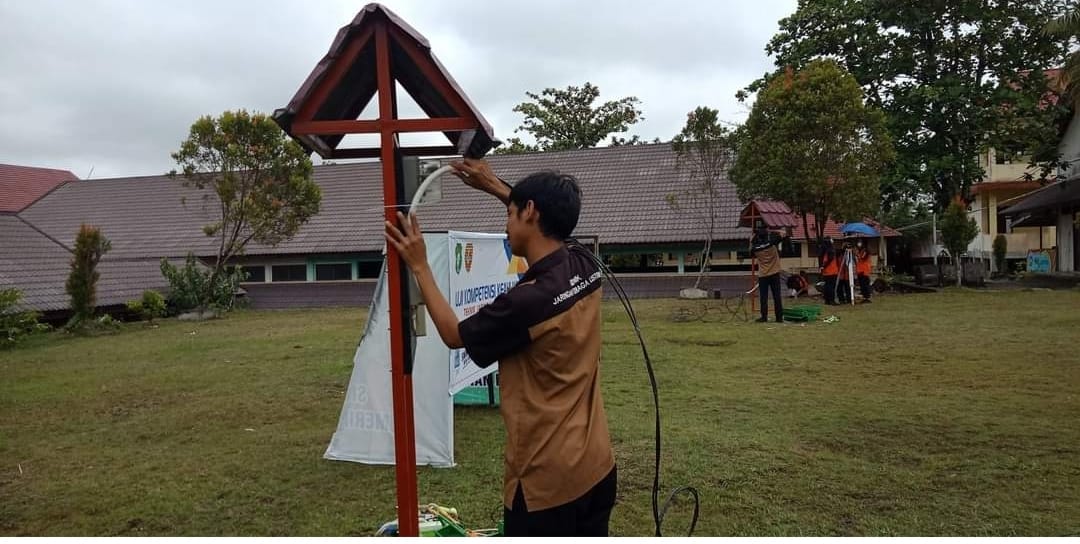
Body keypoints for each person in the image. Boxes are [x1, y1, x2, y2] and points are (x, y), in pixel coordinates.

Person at [383, 158, 616, 537]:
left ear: (530, 212)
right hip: (596, 466)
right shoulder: (584, 264)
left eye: (510, 213)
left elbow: (455, 334)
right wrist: (497, 188)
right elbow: (551, 227)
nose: (505, 224)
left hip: (546, 485)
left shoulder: (526, 302)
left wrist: (420, 265)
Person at [751, 226, 787, 323]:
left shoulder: (756, 248)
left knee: (763, 297)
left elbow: (751, 246)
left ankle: (764, 317)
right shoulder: (771, 243)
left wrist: (755, 235)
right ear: (766, 235)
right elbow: (783, 233)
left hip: (763, 275)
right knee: (777, 296)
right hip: (774, 273)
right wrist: (773, 230)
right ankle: (779, 318)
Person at [820, 238, 839, 305]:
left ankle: (827, 300)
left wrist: (823, 267)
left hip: (827, 272)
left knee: (827, 286)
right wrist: (824, 266)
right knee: (831, 287)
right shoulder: (831, 251)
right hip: (832, 272)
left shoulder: (825, 252)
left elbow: (825, 261)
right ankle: (831, 300)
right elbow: (830, 260)